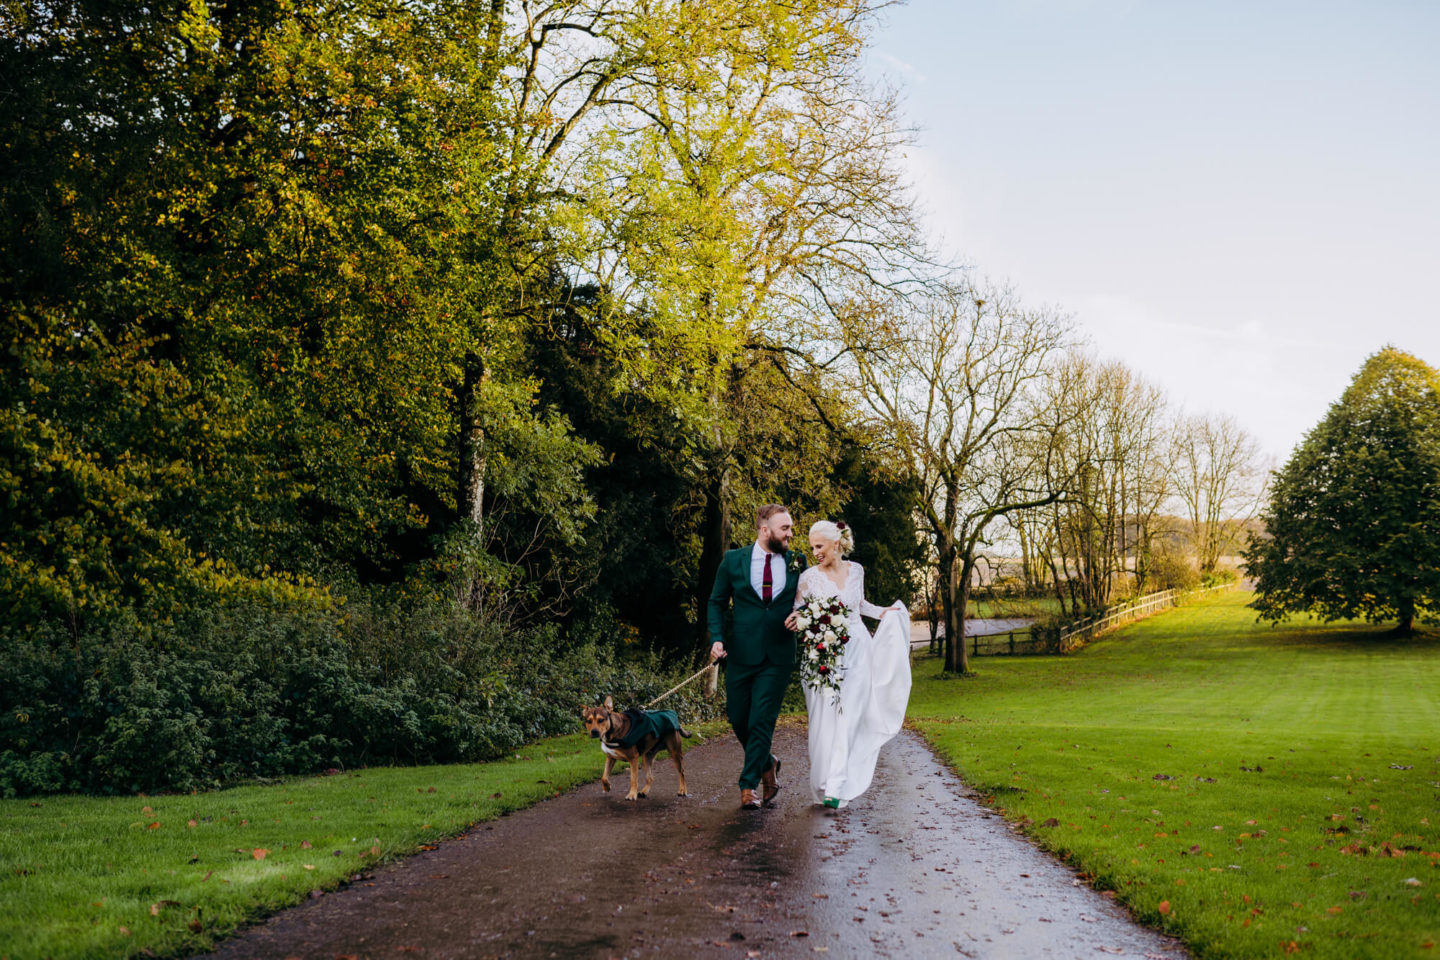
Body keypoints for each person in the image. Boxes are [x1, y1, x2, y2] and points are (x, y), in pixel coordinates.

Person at [785, 519, 911, 809]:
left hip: (857, 650)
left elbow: (860, 604)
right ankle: (823, 779)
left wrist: (884, 613)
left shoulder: (857, 571)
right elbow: (799, 611)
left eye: (819, 546)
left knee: (849, 716)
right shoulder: (808, 578)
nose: (815, 551)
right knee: (824, 720)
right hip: (823, 654)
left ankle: (836, 784)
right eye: (812, 546)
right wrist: (799, 620)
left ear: (836, 544)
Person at [707, 504, 806, 809]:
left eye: (790, 527)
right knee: (739, 718)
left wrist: (801, 615)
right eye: (784, 528)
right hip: (740, 652)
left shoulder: (797, 562)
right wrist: (717, 638)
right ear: (765, 530)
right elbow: (716, 602)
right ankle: (768, 762)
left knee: (762, 719)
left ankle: (748, 786)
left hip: (778, 655)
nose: (790, 533)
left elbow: (809, 601)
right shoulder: (733, 560)